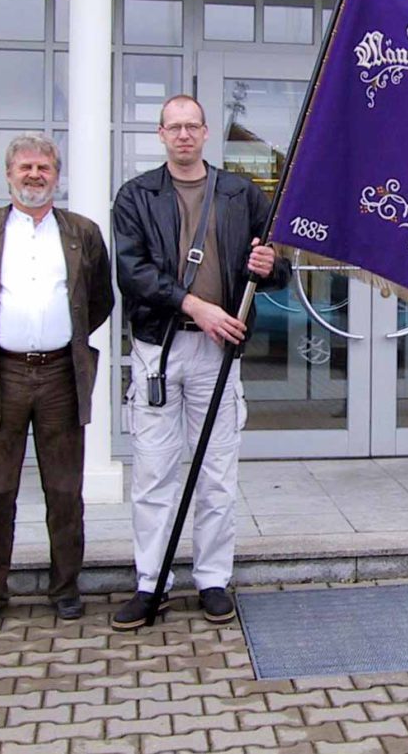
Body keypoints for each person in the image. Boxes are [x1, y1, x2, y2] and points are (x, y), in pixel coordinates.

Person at [111, 94, 290, 631]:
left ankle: (213, 579)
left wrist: (271, 263)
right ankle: (152, 583)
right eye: (175, 127)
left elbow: (276, 270)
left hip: (219, 350)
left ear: (206, 133)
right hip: (160, 348)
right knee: (153, 472)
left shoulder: (240, 194)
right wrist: (194, 305)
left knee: (216, 475)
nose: (184, 135)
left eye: (193, 126)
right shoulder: (136, 196)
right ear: (161, 134)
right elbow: (132, 272)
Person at [0, 134, 114, 627]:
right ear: (9, 174)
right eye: (26, 167)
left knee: (65, 489)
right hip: (3, 374)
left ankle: (65, 587)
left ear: (57, 175)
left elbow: (98, 300)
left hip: (62, 373)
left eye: (44, 167)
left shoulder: (82, 233)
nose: (34, 175)